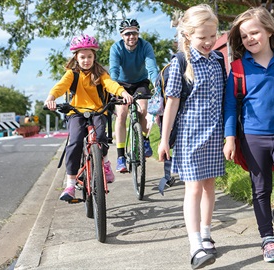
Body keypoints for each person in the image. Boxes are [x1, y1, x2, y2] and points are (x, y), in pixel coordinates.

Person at [223, 7, 274, 263]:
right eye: (244, 36)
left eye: (254, 32)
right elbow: (230, 106)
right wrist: (230, 138)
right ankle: (267, 239)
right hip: (252, 136)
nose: (249, 39)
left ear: (269, 30)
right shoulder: (238, 67)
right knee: (261, 189)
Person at [157, 4, 225, 269]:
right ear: (187, 36)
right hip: (188, 136)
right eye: (202, 37)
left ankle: (207, 235)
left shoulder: (218, 61)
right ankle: (195, 244)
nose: (208, 42)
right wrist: (164, 140)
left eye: (212, 36)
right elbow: (171, 104)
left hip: (213, 135)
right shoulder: (181, 63)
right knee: (194, 188)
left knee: (210, 186)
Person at [44, 34, 133, 201]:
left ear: (94, 57)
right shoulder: (72, 74)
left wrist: (123, 93)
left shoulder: (100, 73)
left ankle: (105, 163)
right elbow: (61, 86)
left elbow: (111, 84)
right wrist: (51, 97)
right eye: (82, 57)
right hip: (76, 113)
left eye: (89, 56)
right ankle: (70, 183)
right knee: (75, 142)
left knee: (101, 137)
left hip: (98, 111)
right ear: (76, 57)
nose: (86, 60)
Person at [109, 18, 159, 172]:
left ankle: (144, 140)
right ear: (122, 35)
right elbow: (114, 70)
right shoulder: (116, 48)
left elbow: (152, 68)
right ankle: (121, 157)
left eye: (134, 33)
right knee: (122, 115)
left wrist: (157, 85)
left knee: (143, 109)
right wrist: (114, 88)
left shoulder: (145, 46)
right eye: (127, 34)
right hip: (121, 84)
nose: (131, 37)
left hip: (140, 83)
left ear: (138, 33)